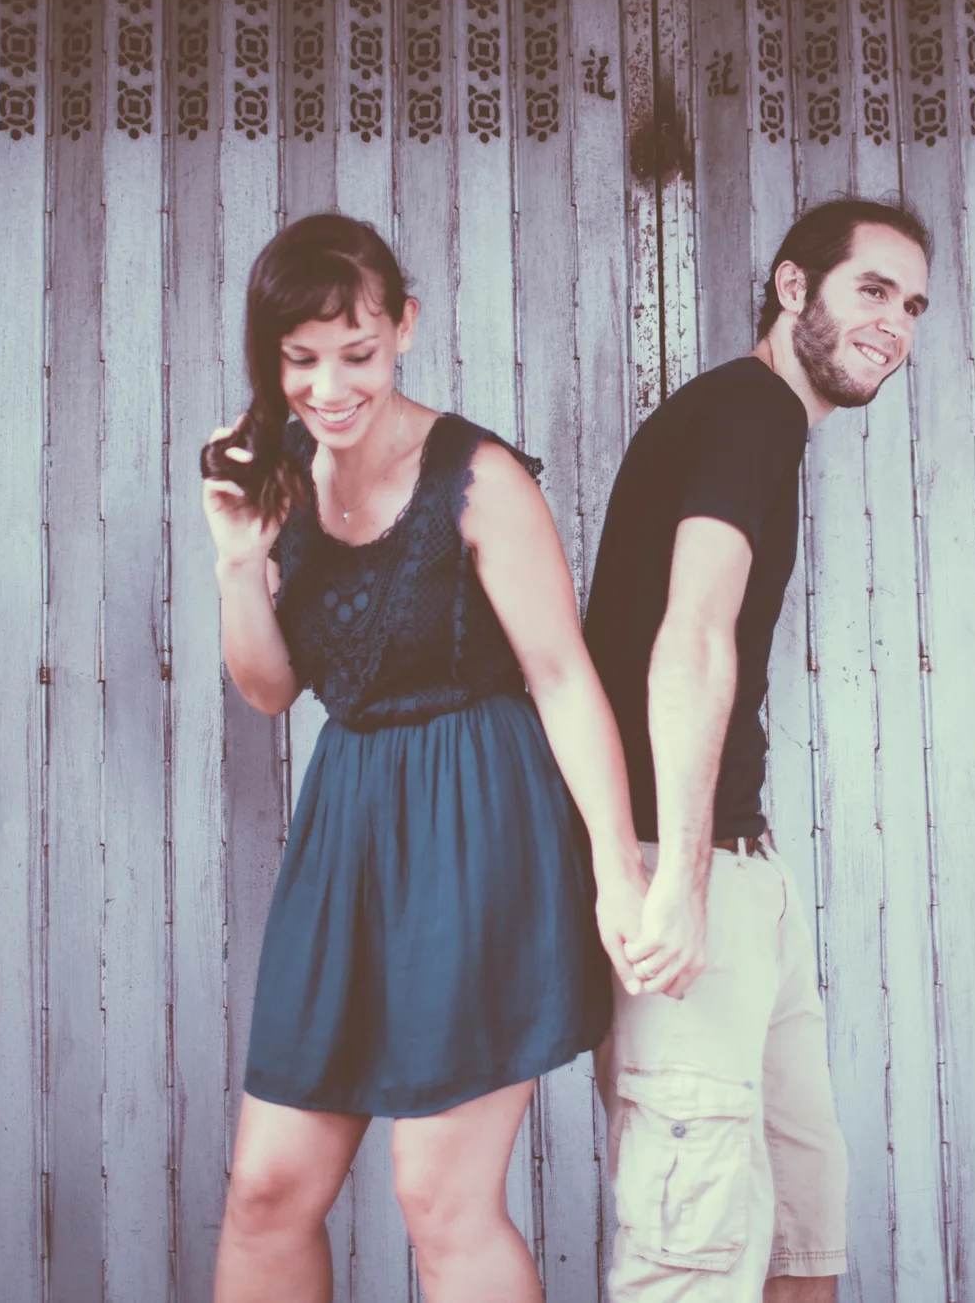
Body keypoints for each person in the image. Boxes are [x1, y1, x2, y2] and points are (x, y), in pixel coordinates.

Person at [202, 213, 650, 1303]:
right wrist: (237, 563)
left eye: (355, 352)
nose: (328, 386)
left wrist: (616, 869)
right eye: (300, 358)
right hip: (347, 829)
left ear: (403, 326)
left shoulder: (477, 474)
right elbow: (269, 688)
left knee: (438, 1197)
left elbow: (561, 674)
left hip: (479, 823)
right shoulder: (276, 473)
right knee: (266, 1189)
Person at [582, 197, 933, 1302]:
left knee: (799, 1240)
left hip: (744, 872)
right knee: (688, 1261)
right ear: (793, 288)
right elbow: (690, 637)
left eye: (913, 304)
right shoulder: (750, 409)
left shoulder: (759, 422)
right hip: (681, 869)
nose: (895, 324)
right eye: (871, 289)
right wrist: (680, 878)